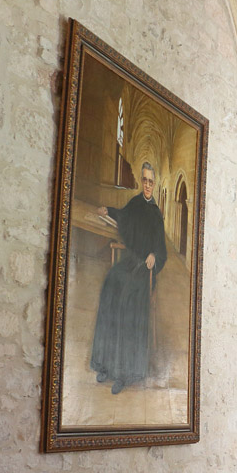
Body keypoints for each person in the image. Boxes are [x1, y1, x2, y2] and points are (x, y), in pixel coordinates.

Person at [90, 162, 167, 394]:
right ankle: (105, 363)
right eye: (144, 180)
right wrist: (108, 211)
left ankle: (123, 372)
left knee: (126, 298)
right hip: (130, 260)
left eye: (151, 181)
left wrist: (154, 254)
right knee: (110, 285)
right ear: (140, 181)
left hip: (145, 269)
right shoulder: (135, 203)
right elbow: (122, 215)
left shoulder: (156, 213)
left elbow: (161, 248)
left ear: (155, 184)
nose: (147, 185)